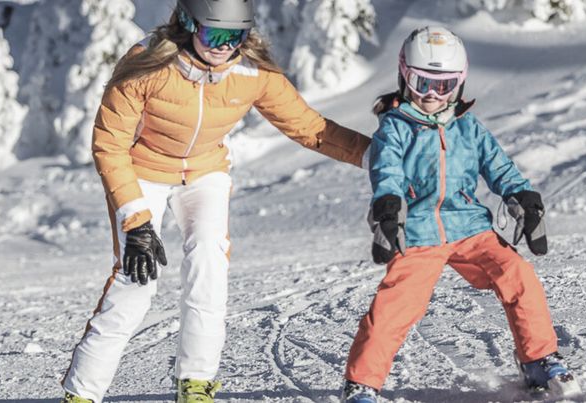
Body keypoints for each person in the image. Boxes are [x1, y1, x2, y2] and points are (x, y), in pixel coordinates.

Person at [61, 1, 371, 402]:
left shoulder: (251, 71)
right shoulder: (147, 64)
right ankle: (83, 393)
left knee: (209, 265)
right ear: (188, 24)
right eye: (215, 35)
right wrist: (136, 221)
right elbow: (110, 144)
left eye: (236, 36)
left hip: (204, 172)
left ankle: (195, 383)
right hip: (144, 170)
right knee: (137, 280)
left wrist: (377, 155)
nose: (225, 47)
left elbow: (311, 129)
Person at [340, 26, 580, 403]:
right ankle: (361, 385)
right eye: (422, 83)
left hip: (470, 227)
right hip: (419, 232)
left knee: (518, 275)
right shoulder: (395, 128)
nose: (433, 95)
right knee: (396, 305)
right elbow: (386, 171)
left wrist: (523, 197)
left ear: (459, 83)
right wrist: (388, 209)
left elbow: (498, 166)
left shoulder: (468, 127)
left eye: (444, 85)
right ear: (404, 76)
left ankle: (539, 360)